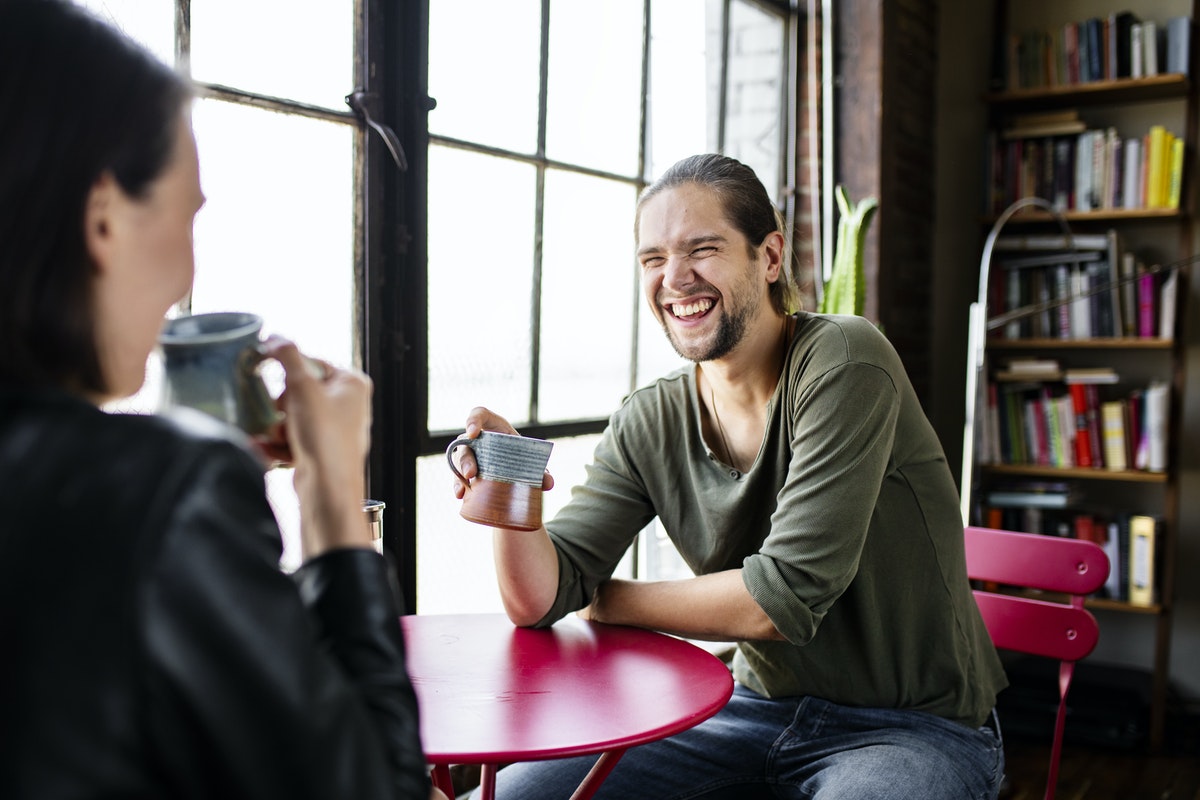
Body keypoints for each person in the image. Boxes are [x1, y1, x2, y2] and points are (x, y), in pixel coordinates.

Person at [451, 153, 1009, 799]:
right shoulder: (649, 419)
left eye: (702, 249)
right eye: (653, 258)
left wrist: (604, 597)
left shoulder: (846, 361)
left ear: (769, 257)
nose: (675, 278)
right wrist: (509, 488)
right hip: (747, 710)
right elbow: (540, 598)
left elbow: (785, 596)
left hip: (915, 727)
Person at [0, 2, 440, 798]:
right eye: (187, 216)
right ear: (103, 215)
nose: (183, 276)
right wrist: (333, 500)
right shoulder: (164, 494)